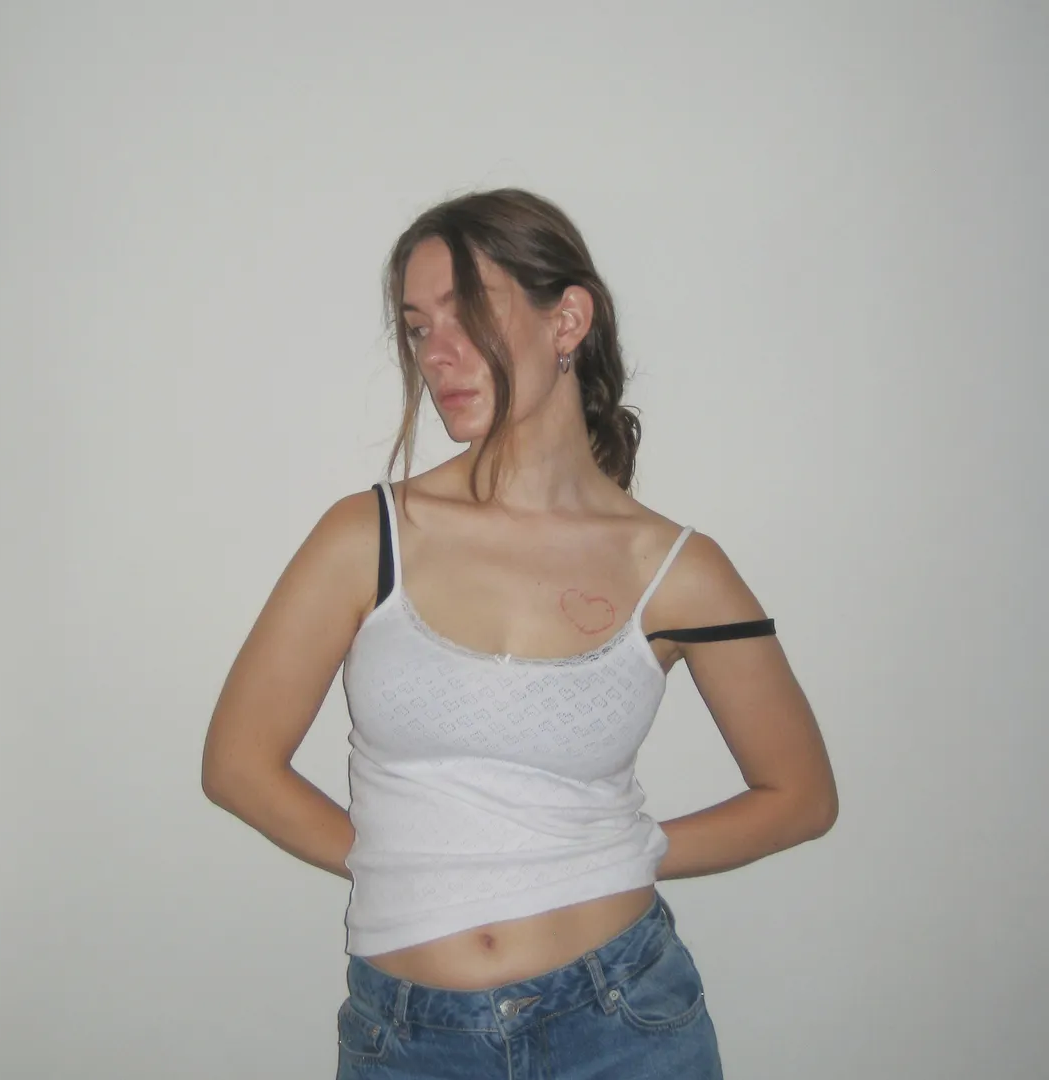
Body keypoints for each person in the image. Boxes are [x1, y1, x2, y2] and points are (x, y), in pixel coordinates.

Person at [201, 188, 838, 1079]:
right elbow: (236, 765)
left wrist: (628, 851)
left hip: (625, 1024)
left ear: (566, 319)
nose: (438, 354)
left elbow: (801, 797)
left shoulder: (676, 568)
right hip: (408, 1039)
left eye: (469, 313)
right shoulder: (368, 536)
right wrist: (416, 866)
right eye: (418, 328)